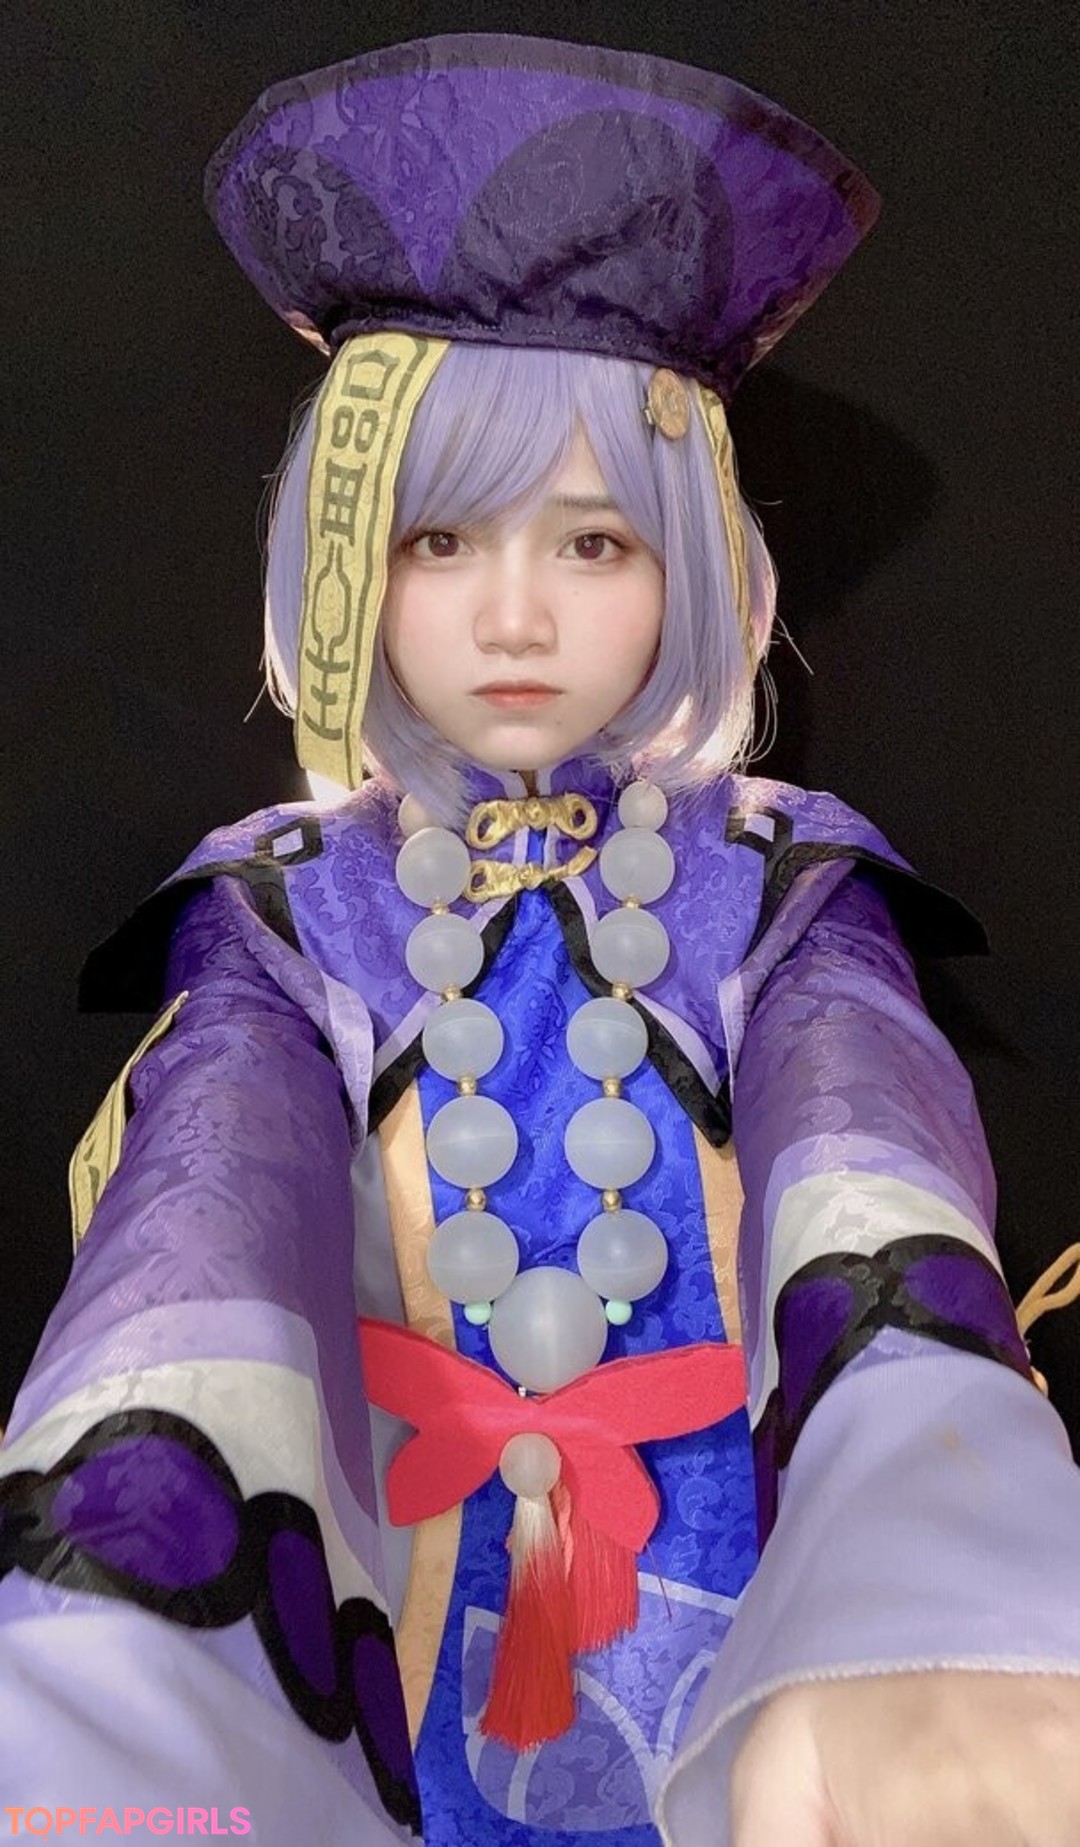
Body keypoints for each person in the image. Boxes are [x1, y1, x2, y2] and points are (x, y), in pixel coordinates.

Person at [2, 32, 1079, 1847]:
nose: (513, 616)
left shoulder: (776, 883)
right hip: (411, 1614)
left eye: (591, 543)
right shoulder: (289, 911)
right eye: (440, 539)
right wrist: (108, 1654)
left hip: (737, 1621)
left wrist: (934, 1551)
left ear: (685, 559)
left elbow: (867, 1156)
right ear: (349, 557)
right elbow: (200, 1217)